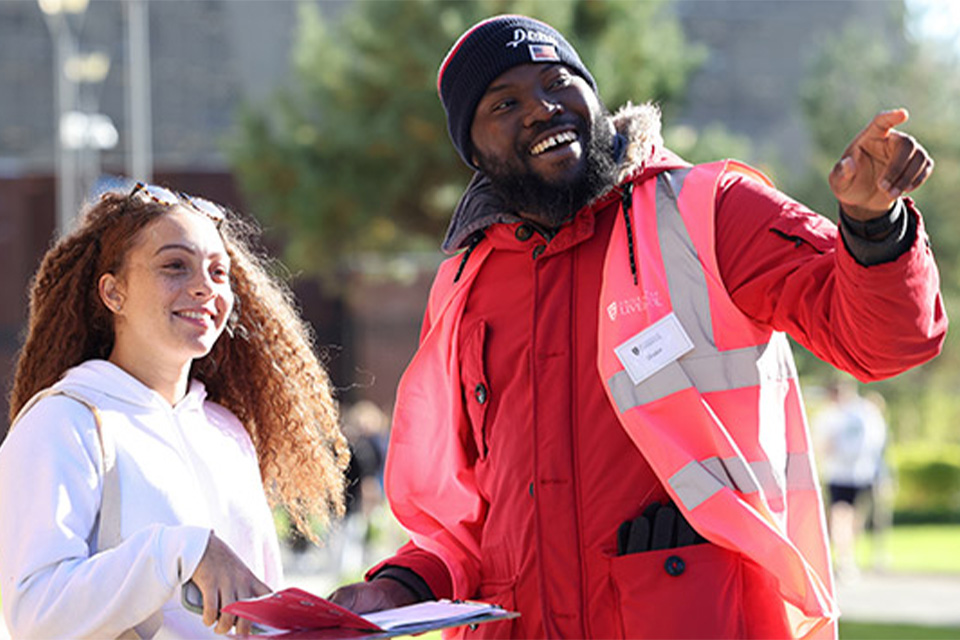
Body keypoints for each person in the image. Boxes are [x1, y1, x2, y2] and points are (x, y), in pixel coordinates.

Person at [328, 14, 946, 640]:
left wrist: (873, 225)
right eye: (505, 103)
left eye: (557, 81)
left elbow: (881, 341)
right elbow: (459, 515)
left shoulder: (710, 210)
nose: (542, 108)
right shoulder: (464, 285)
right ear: (473, 149)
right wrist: (398, 586)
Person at [0, 183, 349, 638]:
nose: (205, 287)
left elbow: (254, 616)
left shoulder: (227, 433)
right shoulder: (64, 424)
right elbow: (34, 614)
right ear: (113, 292)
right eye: (175, 266)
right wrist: (179, 552)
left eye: (219, 272)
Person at [814, 379, 889, 581]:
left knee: (855, 517)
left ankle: (847, 555)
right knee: (841, 514)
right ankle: (844, 558)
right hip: (838, 474)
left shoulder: (865, 412)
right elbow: (821, 444)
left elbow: (876, 441)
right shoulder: (828, 415)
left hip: (861, 473)